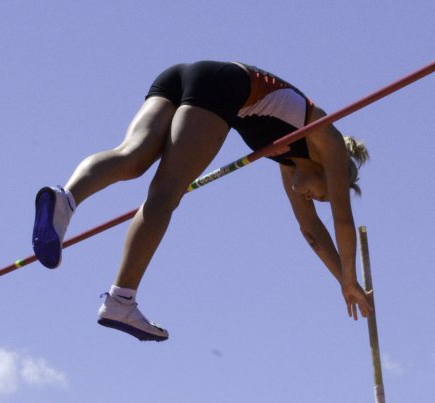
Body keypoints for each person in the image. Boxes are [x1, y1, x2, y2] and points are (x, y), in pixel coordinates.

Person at [32, 60, 372, 342]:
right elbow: (342, 220)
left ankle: (65, 200)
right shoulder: (326, 141)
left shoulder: (289, 159)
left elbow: (310, 229)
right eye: (323, 194)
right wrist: (351, 278)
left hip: (185, 77)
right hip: (222, 88)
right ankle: (121, 300)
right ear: (332, 172)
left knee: (131, 157)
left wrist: (341, 281)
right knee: (165, 194)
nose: (312, 198)